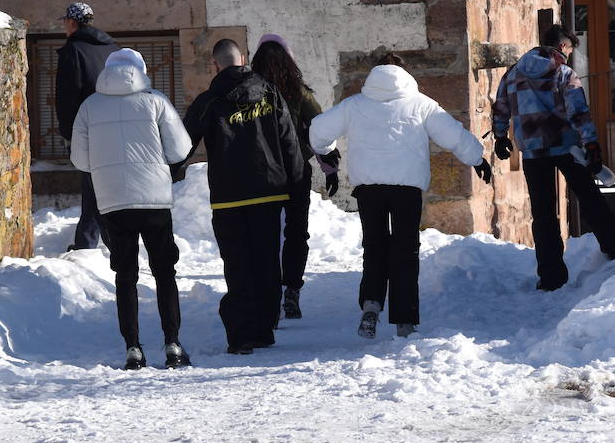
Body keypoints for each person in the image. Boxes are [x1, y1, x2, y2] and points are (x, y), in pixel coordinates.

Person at [310, 56, 492, 339]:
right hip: (407, 190)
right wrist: (477, 159)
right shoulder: (421, 104)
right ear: (405, 75)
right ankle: (405, 319)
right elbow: (452, 133)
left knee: (375, 246)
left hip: (369, 189)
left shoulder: (355, 105)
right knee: (406, 250)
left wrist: (327, 150)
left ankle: (371, 305)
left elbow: (318, 130)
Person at [71, 48, 194, 371]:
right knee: (164, 271)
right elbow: (180, 148)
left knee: (125, 274)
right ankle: (173, 343)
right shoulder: (155, 102)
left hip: (112, 201)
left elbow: (80, 160)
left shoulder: (89, 106)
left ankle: (133, 348)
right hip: (153, 198)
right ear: (140, 71)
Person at [183, 39, 303, 354]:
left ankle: (241, 335)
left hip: (229, 196)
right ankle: (264, 328)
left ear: (215, 64)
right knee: (266, 262)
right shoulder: (269, 92)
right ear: (244, 59)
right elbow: (289, 141)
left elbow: (181, 146)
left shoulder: (208, 101)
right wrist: (294, 184)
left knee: (237, 266)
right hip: (268, 192)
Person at [491, 24, 615, 291]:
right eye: (569, 50)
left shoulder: (513, 73)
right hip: (567, 147)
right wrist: (592, 146)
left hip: (532, 150)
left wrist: (500, 137)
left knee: (543, 214)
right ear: (563, 47)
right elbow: (579, 113)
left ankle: (551, 277)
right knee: (589, 198)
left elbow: (500, 107)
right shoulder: (564, 73)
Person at [250, 34, 339, 322]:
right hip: (296, 169)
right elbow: (320, 129)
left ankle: (269, 295)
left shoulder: (249, 91)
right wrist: (330, 168)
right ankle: (292, 290)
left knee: (265, 235)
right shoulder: (299, 91)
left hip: (260, 172)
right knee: (296, 232)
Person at [55, 2, 119, 252]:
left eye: (65, 22)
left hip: (90, 129)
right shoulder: (112, 49)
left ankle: (99, 243)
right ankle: (90, 240)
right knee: (101, 185)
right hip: (117, 126)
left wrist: (68, 133)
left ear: (72, 23)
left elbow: (67, 96)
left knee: (94, 184)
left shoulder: (74, 50)